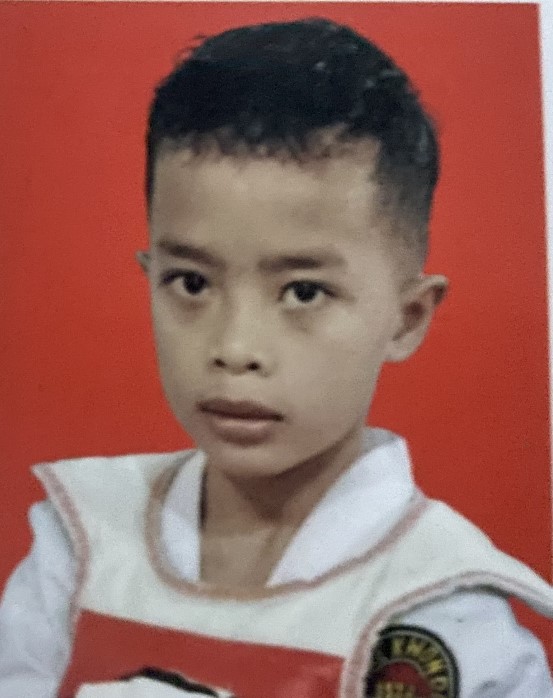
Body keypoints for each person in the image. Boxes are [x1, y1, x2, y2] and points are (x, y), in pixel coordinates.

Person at [1, 16, 553, 698]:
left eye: (303, 292)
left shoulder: (441, 615)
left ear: (406, 319)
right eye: (191, 283)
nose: (235, 349)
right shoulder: (82, 547)